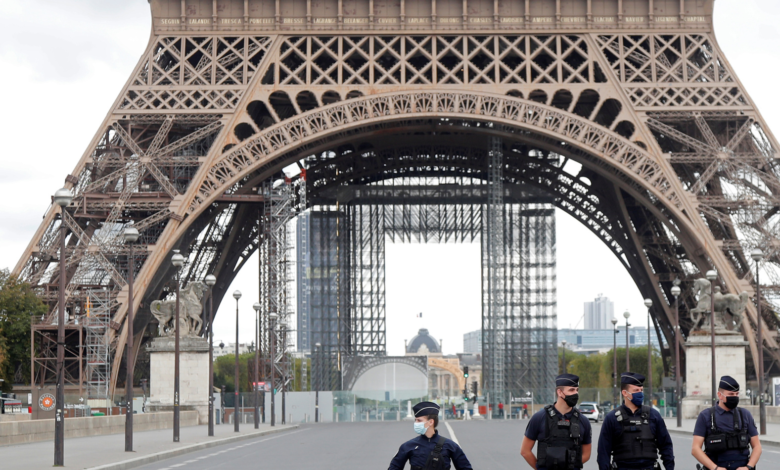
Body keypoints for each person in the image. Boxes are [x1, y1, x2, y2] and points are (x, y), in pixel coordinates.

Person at [597, 372, 675, 470]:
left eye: (641, 390)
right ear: (625, 393)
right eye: (636, 390)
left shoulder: (654, 416)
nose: (640, 393)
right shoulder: (612, 418)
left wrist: (670, 467)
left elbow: (666, 445)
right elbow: (603, 452)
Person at [520, 373, 593, 470]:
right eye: (571, 390)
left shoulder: (583, 421)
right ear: (559, 392)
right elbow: (525, 451)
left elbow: (586, 454)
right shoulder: (539, 418)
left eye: (577, 390)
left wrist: (568, 465)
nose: (575, 394)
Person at [691, 376, 762, 470]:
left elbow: (757, 446)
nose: (735, 397)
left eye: (737, 394)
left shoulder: (745, 415)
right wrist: (715, 468)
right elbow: (695, 449)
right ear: (720, 395)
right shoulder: (705, 416)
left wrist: (748, 467)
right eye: (731, 394)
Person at [388, 401, 473, 470]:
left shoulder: (450, 446)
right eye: (415, 420)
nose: (416, 423)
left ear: (431, 422)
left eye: (419, 420)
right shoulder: (408, 446)